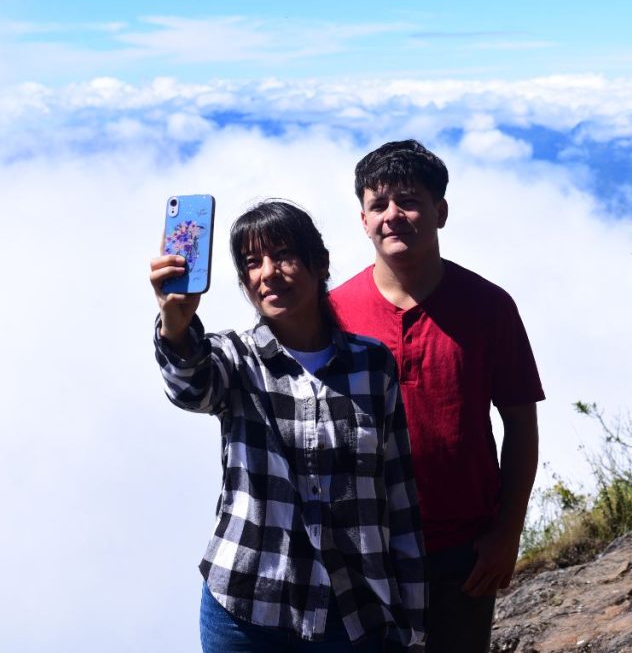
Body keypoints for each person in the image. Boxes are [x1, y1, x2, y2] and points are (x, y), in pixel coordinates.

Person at [150, 200, 426, 652]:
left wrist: (413, 621)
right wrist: (176, 328)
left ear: (321, 265)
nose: (268, 273)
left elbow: (397, 496)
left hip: (354, 614)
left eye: (284, 256)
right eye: (252, 263)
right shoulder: (235, 358)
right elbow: (191, 387)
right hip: (246, 609)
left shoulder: (373, 364)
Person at [330, 140, 544, 652]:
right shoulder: (334, 313)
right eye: (378, 205)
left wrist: (506, 532)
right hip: (360, 553)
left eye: (408, 200)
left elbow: (520, 423)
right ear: (362, 220)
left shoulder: (489, 307)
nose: (392, 216)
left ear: (440, 212)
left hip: (461, 553)